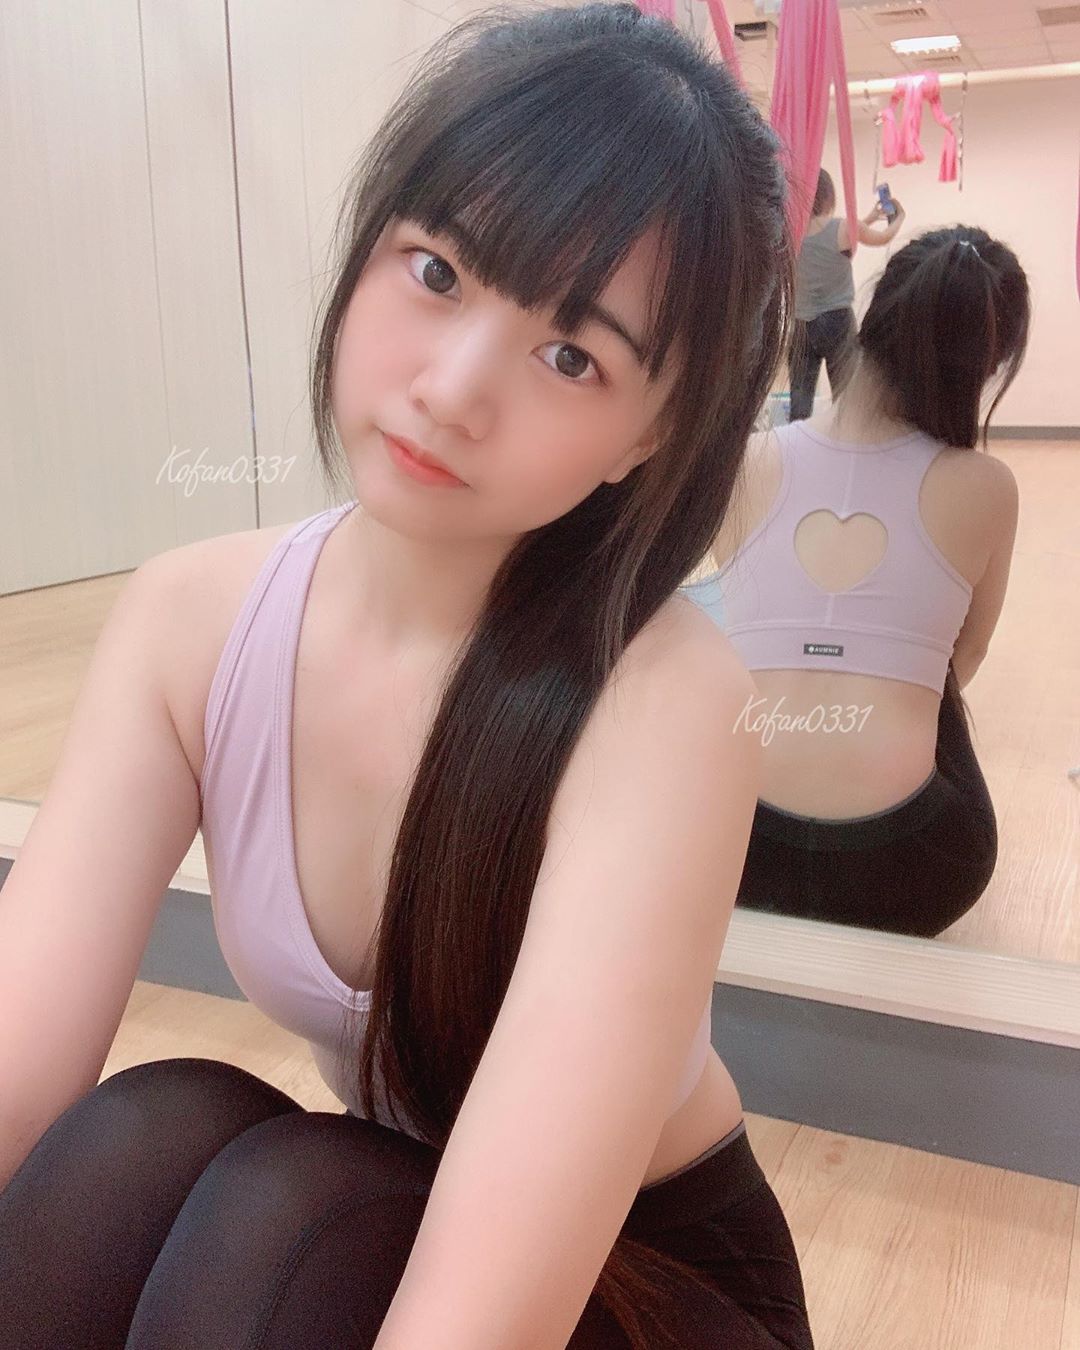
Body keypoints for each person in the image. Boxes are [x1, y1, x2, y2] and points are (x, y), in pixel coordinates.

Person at [0, 6, 815, 1348]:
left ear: (649, 437)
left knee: (281, 1213)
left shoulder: (663, 703)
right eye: (437, 270)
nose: (452, 388)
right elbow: (16, 1081)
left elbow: (477, 1322)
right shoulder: (189, 622)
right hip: (388, 1220)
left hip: (658, 1283)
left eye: (571, 356)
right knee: (146, 1137)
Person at [706, 224, 1030, 939]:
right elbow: (966, 657)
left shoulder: (745, 462)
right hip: (918, 867)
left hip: (734, 846)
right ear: (986, 365)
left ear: (874, 318)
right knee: (933, 677)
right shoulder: (986, 486)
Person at [788, 168, 906, 422]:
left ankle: (796, 445)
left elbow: (842, 236)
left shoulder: (793, 234)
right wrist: (898, 218)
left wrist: (869, 218)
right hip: (836, 322)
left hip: (801, 326)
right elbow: (882, 237)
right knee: (844, 397)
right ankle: (842, 441)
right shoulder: (842, 228)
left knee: (800, 399)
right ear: (828, 196)